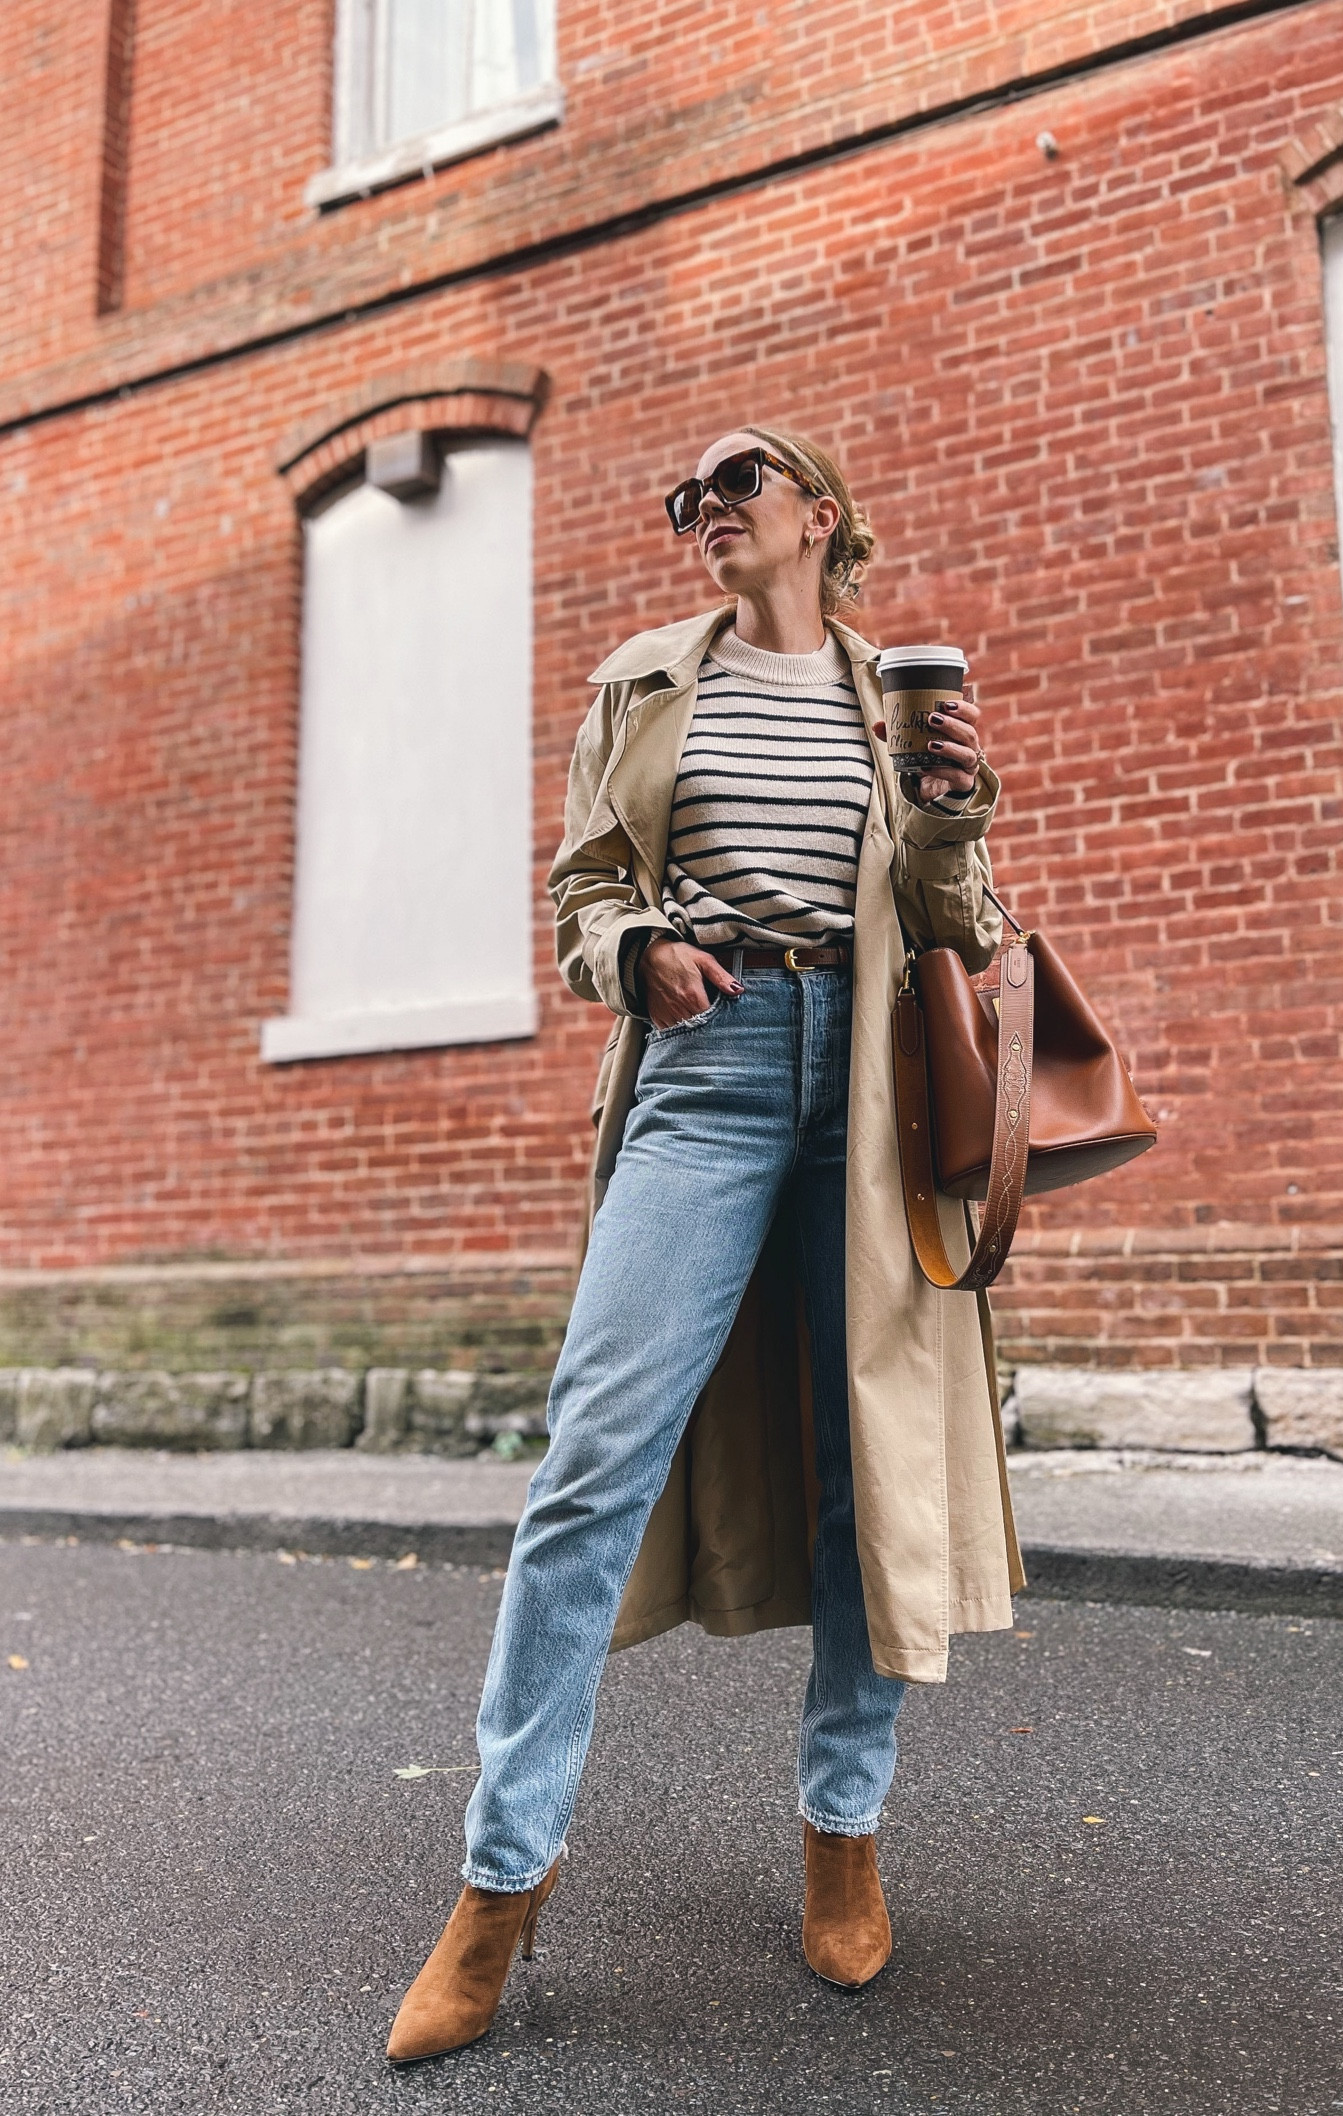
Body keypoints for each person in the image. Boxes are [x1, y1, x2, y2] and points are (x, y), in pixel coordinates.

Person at [387, 425, 1024, 2065]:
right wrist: (637, 950)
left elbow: (960, 929)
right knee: (587, 1465)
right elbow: (581, 886)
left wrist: (948, 811)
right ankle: (496, 1884)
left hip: (870, 1092)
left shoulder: (892, 693)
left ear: (819, 511)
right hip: (712, 1069)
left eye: (735, 483)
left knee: (853, 1473)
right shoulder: (643, 685)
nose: (704, 511)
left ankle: (841, 1837)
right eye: (683, 500)